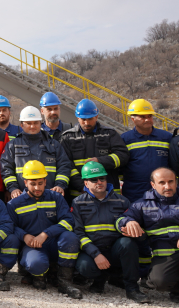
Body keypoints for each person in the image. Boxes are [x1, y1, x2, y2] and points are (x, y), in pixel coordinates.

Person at [72, 162, 149, 303]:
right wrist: (96, 254)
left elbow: (139, 232)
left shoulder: (122, 201)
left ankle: (132, 288)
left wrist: (132, 228)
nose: (99, 182)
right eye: (94, 179)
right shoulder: (78, 203)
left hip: (115, 250)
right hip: (93, 251)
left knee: (128, 243)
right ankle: (100, 279)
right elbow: (78, 233)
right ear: (86, 183)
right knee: (84, 266)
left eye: (102, 178)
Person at [7, 162, 82, 299]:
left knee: (70, 237)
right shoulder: (14, 204)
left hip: (54, 242)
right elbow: (9, 226)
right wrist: (24, 236)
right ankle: (39, 275)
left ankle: (64, 281)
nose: (37, 188)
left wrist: (46, 233)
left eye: (40, 183)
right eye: (33, 184)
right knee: (36, 264)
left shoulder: (56, 197)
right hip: (32, 245)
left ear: (45, 182)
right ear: (25, 183)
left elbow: (68, 221)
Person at [119, 167, 179, 302]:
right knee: (159, 281)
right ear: (153, 185)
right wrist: (129, 222)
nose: (167, 186)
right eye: (162, 182)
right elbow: (121, 218)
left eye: (171, 181)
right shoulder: (142, 204)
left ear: (176, 182)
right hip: (165, 256)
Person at [60, 99, 128, 200]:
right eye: (83, 119)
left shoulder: (109, 134)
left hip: (109, 195)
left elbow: (123, 156)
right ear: (77, 117)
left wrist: (100, 161)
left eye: (90, 119)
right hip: (79, 195)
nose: (87, 123)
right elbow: (67, 165)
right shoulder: (68, 137)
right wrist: (82, 186)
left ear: (96, 116)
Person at [0, 106, 72, 199]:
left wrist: (60, 185)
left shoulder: (53, 144)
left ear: (40, 123)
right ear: (21, 125)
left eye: (35, 123)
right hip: (22, 197)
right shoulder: (12, 146)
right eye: (28, 123)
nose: (32, 126)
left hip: (50, 196)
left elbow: (64, 165)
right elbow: (6, 169)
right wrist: (13, 188)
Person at [121, 99, 172, 203]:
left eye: (149, 116)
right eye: (143, 117)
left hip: (162, 192)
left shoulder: (166, 137)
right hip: (135, 193)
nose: (147, 119)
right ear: (133, 119)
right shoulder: (124, 139)